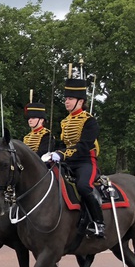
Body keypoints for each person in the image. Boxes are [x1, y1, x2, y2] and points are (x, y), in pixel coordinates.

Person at [49, 77, 105, 238]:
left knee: (83, 186)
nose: (66, 102)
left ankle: (98, 223)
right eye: (66, 98)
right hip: (68, 163)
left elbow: (84, 145)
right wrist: (53, 152)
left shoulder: (89, 120)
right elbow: (63, 143)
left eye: (70, 99)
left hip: (86, 161)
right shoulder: (65, 122)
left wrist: (63, 153)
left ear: (80, 101)